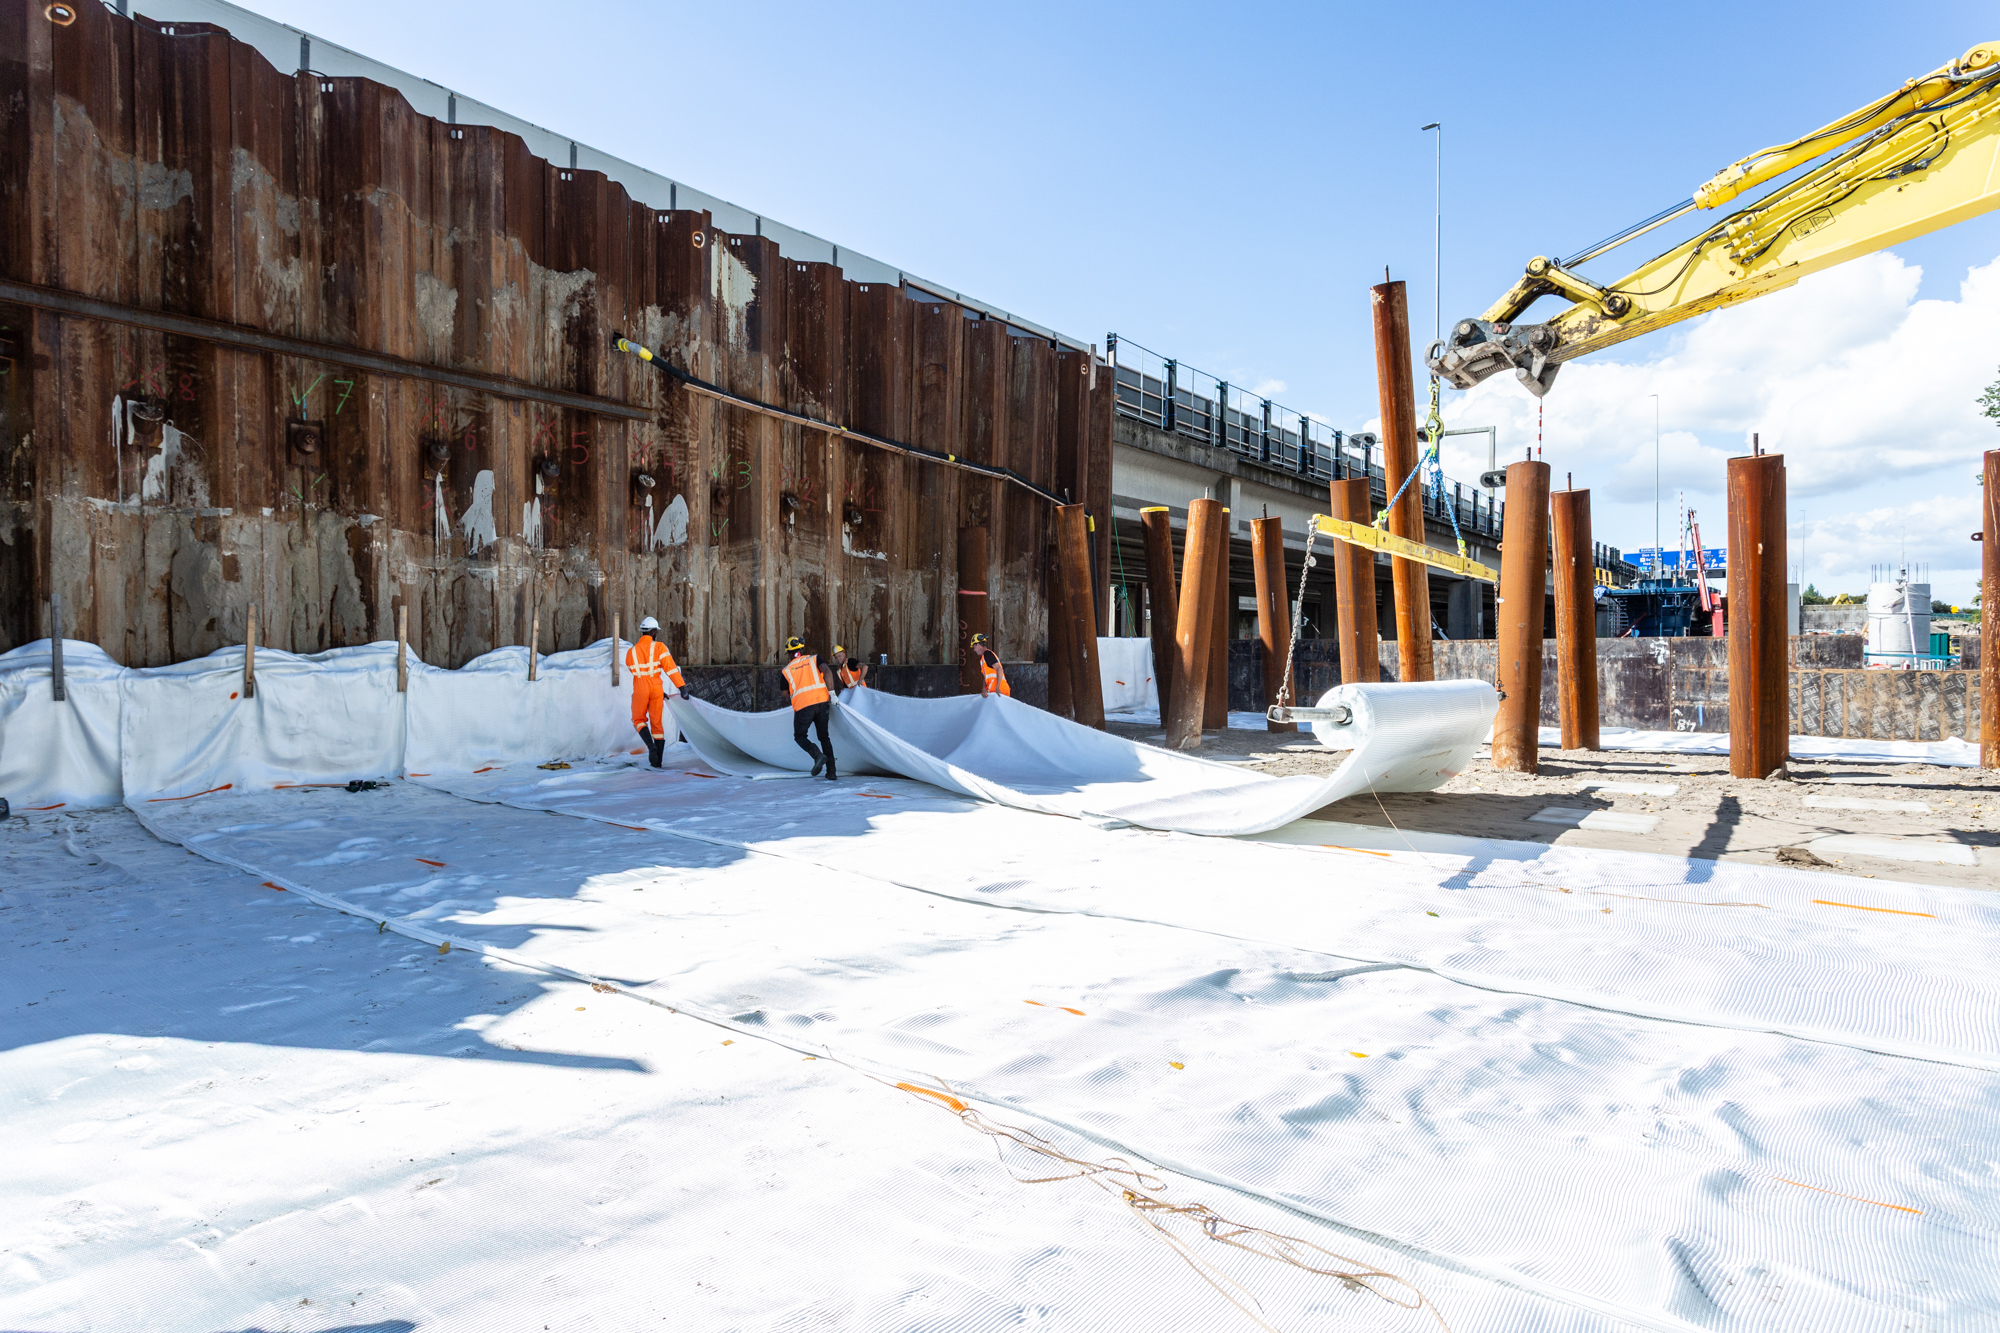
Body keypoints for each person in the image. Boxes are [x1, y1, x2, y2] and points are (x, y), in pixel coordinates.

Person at [625, 615, 685, 768]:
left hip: (640, 687)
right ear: (652, 632)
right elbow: (670, 668)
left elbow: (632, 669)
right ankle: (657, 762)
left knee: (638, 719)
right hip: (656, 686)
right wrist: (682, 687)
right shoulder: (659, 647)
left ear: (642, 632)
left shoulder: (630, 652)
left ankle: (650, 746)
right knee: (657, 724)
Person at [781, 635, 836, 780]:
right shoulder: (814, 659)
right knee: (824, 737)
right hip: (822, 702)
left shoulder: (786, 670)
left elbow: (785, 693)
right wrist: (832, 693)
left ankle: (817, 755)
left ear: (790, 654)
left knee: (800, 736)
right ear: (801, 649)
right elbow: (828, 672)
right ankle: (831, 772)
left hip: (803, 706)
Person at [970, 632, 1010, 697]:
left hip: (998, 691)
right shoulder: (984, 658)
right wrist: (984, 689)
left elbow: (999, 669)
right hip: (994, 691)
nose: (974, 650)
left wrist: (997, 687)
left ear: (978, 645)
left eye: (974, 647)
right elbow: (986, 677)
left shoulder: (987, 654)